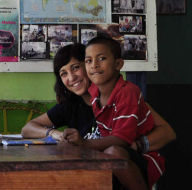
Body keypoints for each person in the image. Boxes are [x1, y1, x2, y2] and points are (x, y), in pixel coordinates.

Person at [21, 43, 175, 189]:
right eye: (64, 73)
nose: (71, 77)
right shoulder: (70, 105)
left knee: (112, 154)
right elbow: (27, 129)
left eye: (75, 68)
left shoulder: (120, 96)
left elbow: (168, 133)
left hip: (127, 168)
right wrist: (57, 135)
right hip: (94, 171)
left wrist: (134, 145)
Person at [66, 37, 165, 189]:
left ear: (118, 64)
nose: (94, 65)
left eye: (102, 58)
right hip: (112, 153)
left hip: (140, 158)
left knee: (112, 153)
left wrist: (85, 143)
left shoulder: (128, 92)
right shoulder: (93, 92)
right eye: (88, 61)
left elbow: (122, 140)